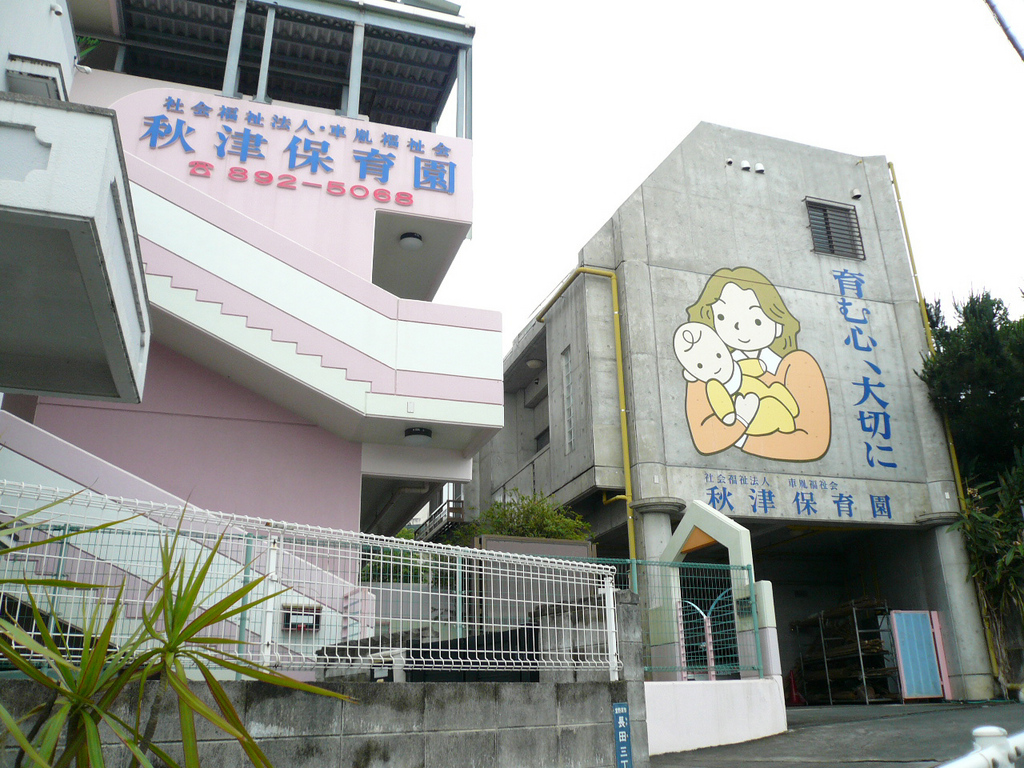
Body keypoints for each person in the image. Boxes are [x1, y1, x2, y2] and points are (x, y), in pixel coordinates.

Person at [682, 266, 830, 461]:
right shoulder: (708, 367)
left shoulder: (797, 366)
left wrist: (740, 436)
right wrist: (743, 419)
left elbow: (812, 442)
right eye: (722, 317)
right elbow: (705, 440)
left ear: (778, 324)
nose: (739, 327)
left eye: (756, 319)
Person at [673, 322, 799, 436]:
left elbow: (748, 367)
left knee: (777, 388)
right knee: (772, 406)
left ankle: (793, 412)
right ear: (691, 374)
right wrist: (729, 414)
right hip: (753, 410)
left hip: (763, 394)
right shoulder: (714, 385)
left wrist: (759, 366)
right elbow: (721, 401)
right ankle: (788, 427)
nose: (716, 365)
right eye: (700, 366)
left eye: (718, 355)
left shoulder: (735, 367)